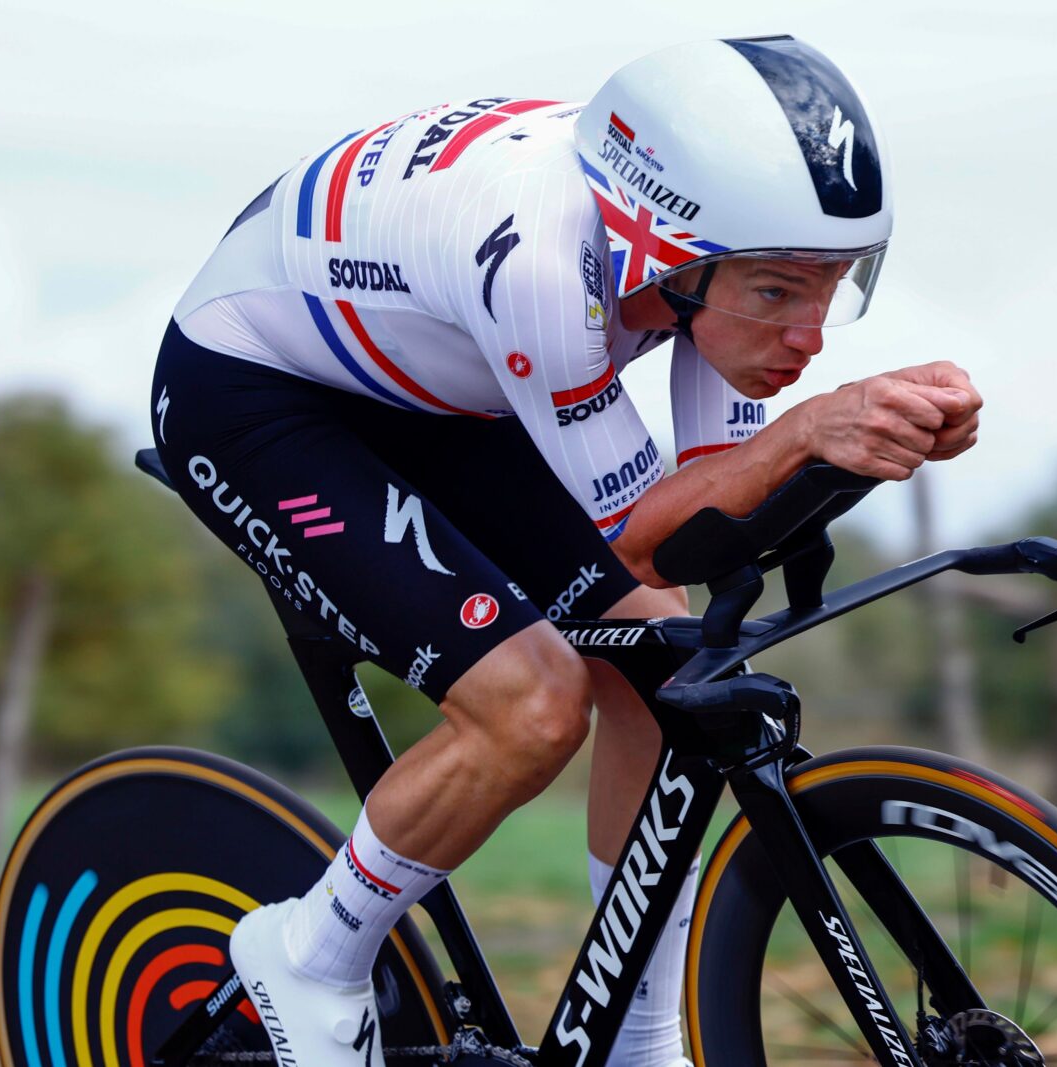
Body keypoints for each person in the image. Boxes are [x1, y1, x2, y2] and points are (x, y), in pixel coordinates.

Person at [151, 35, 981, 1067]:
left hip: (443, 389)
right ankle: (310, 953)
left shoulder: (694, 258)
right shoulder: (542, 263)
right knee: (532, 704)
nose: (809, 337)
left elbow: (714, 511)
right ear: (665, 252)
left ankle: (637, 1041)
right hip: (256, 396)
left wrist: (855, 448)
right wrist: (809, 431)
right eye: (777, 293)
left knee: (669, 671)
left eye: (832, 285)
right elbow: (646, 542)